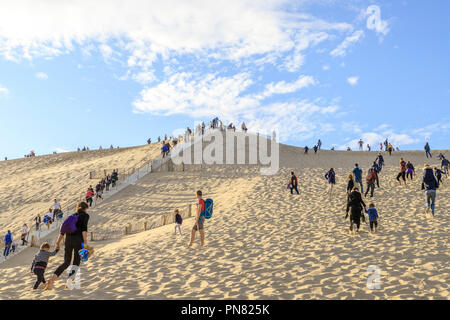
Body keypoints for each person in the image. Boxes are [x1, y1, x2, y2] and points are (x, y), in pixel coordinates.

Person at [45, 202, 90, 290]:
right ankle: (69, 283)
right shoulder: (85, 215)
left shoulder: (72, 215)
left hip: (68, 240)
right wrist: (85, 242)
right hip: (78, 240)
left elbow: (62, 231)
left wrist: (58, 242)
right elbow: (84, 229)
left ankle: (52, 280)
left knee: (66, 262)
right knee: (76, 262)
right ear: (85, 209)